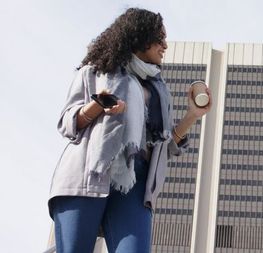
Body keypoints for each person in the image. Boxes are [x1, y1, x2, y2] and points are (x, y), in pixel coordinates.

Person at [47, 8, 211, 253]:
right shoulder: (94, 72)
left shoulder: (158, 89)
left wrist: (192, 116)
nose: (165, 45)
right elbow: (67, 123)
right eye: (159, 38)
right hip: (87, 173)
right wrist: (99, 105)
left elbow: (162, 148)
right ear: (139, 37)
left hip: (134, 182)